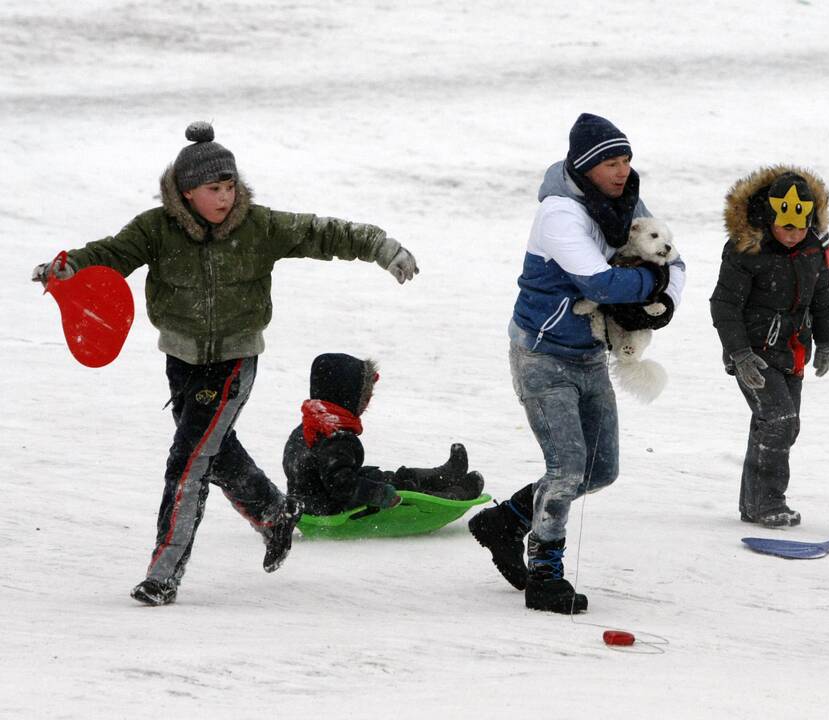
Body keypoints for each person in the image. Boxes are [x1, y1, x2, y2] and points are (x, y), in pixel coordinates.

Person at [31, 122, 420, 606]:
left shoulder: (259, 227)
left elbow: (325, 233)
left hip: (234, 361)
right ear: (187, 192)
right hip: (181, 359)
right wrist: (65, 270)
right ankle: (275, 514)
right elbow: (107, 257)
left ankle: (164, 573)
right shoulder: (155, 230)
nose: (225, 197)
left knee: (188, 461)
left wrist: (384, 248)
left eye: (230, 186)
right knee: (214, 453)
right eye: (214, 189)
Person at [468, 113, 686, 614]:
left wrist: (665, 301)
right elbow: (598, 284)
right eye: (611, 161)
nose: (622, 170)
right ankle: (545, 571)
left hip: (589, 354)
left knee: (601, 468)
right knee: (566, 469)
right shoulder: (560, 214)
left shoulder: (627, 201)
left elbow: (674, 260)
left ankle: (506, 519)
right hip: (541, 355)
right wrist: (650, 288)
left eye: (627, 159)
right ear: (586, 166)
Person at [709, 166, 829, 528]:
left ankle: (753, 503)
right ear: (770, 219)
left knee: (782, 425)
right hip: (754, 353)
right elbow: (724, 305)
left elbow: (822, 297)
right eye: (786, 227)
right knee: (779, 420)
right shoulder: (745, 250)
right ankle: (767, 502)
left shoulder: (813, 249)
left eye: (800, 228)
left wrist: (827, 339)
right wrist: (739, 354)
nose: (793, 235)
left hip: (793, 350)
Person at [283, 352, 484, 517]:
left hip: (311, 500)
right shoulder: (334, 437)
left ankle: (445, 475)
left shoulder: (310, 425)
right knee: (400, 488)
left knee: (384, 477)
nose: (368, 402)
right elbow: (342, 486)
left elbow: (321, 475)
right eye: (364, 397)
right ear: (346, 398)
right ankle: (457, 494)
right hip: (330, 508)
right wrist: (378, 493)